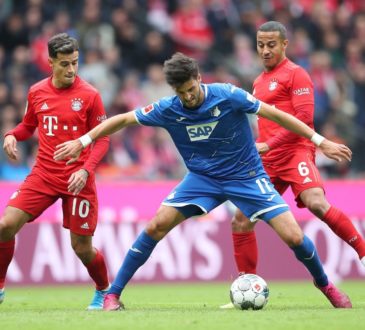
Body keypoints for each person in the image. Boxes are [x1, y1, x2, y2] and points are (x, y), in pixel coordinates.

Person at [54, 52, 353, 311]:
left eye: (191, 89)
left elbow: (276, 113)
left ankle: (326, 287)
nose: (188, 97)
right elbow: (122, 120)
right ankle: (113, 294)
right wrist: (83, 140)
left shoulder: (228, 95)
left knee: (294, 237)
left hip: (246, 176)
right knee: (156, 225)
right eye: (181, 92)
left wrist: (318, 140)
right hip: (202, 179)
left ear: (199, 78)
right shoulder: (168, 108)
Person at [223, 21, 365, 302]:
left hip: (295, 152)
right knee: (240, 220)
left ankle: (362, 251)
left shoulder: (296, 75)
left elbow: (304, 119)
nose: (265, 50)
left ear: (285, 44)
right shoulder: (258, 82)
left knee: (316, 202)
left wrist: (269, 144)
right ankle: (245, 284)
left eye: (271, 45)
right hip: (267, 162)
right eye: (260, 45)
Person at [0, 33, 110, 310]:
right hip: (44, 175)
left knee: (81, 248)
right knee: (4, 226)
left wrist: (85, 170)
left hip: (78, 179)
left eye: (75, 62)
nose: (71, 69)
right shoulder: (37, 91)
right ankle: (0, 286)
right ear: (50, 62)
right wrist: (12, 134)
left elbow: (104, 139)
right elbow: (28, 126)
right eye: (64, 64)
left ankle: (104, 291)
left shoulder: (90, 95)